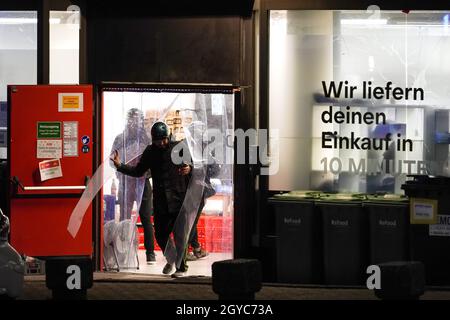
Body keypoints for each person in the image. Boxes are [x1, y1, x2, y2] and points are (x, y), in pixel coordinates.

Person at [111, 121, 193, 277]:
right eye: (157, 140)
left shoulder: (179, 147)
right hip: (161, 201)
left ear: (168, 136)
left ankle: (181, 268)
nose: (161, 143)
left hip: (179, 200)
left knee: (181, 237)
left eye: (163, 139)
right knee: (160, 235)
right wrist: (120, 166)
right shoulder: (150, 152)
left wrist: (189, 168)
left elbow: (194, 165)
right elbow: (138, 171)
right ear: (153, 140)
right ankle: (171, 259)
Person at [110, 108, 156, 263]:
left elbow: (154, 162)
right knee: (124, 217)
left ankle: (150, 253)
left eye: (137, 120)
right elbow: (112, 159)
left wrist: (145, 172)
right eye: (131, 120)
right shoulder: (120, 138)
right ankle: (122, 250)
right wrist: (121, 169)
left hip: (143, 182)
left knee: (145, 217)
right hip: (125, 182)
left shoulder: (147, 139)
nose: (134, 124)